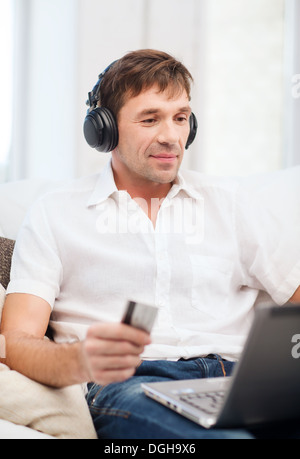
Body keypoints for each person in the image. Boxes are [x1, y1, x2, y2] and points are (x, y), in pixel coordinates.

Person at [0, 49, 299, 439]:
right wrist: (78, 361)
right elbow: (16, 342)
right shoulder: (55, 213)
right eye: (150, 119)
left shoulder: (231, 201)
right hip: (131, 385)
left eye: (180, 118)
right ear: (103, 129)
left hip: (241, 378)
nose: (171, 136)